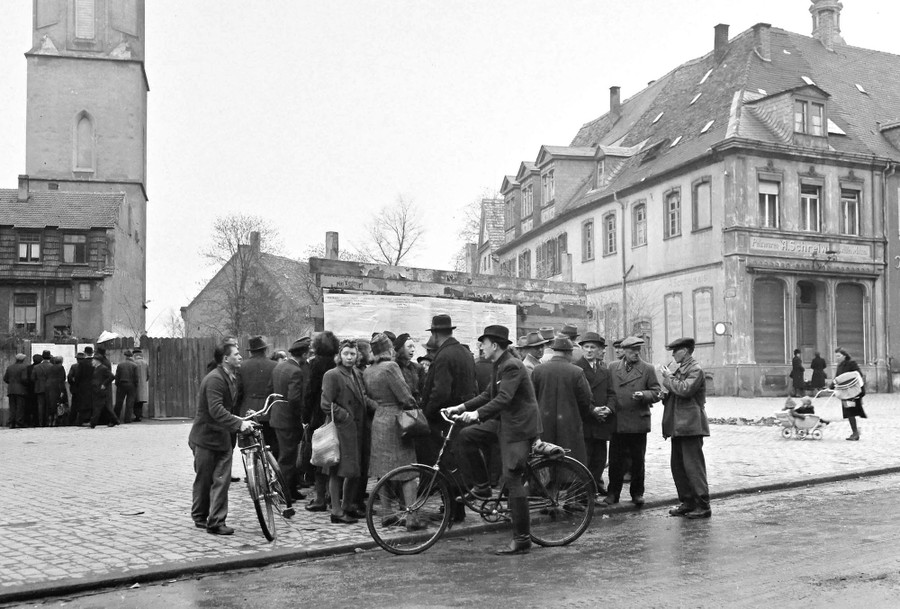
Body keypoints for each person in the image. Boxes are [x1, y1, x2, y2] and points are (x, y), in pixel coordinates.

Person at [445, 324, 541, 555]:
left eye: (483, 343)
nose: (480, 347)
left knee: (512, 478)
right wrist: (461, 407)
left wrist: (477, 414)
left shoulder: (511, 365)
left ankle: (522, 539)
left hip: (519, 428)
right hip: (504, 422)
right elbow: (488, 395)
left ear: (495, 345)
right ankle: (482, 486)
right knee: (466, 436)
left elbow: (504, 398)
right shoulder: (499, 364)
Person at [189, 342, 255, 535]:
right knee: (209, 479)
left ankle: (207, 518)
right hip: (207, 438)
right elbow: (216, 409)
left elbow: (227, 408)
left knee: (217, 479)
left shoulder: (230, 377)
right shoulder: (215, 379)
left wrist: (242, 417)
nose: (240, 356)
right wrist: (239, 424)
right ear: (226, 359)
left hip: (219, 438)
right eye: (236, 354)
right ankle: (210, 520)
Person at [364, 333, 422, 531]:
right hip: (396, 421)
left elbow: (368, 397)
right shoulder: (391, 367)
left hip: (378, 420)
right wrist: (414, 407)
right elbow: (405, 396)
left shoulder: (369, 370)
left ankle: (387, 514)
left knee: (383, 470)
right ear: (389, 349)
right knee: (407, 470)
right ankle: (412, 517)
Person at [603, 335, 661, 507]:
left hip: (637, 421)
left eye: (638, 350)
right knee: (615, 461)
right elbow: (608, 391)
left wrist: (644, 395)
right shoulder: (613, 367)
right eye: (631, 351)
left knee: (637, 461)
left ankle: (637, 494)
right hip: (618, 421)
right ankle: (613, 494)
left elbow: (657, 392)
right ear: (624, 352)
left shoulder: (648, 369)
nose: (636, 353)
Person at [657, 337, 711, 519]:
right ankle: (687, 502)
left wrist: (668, 378)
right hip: (678, 426)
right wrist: (664, 394)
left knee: (693, 467)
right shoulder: (682, 369)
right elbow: (676, 392)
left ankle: (703, 505)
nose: (672, 354)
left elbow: (685, 390)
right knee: (679, 467)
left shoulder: (695, 369)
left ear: (686, 351)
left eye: (676, 350)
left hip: (690, 426)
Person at [321, 339, 372, 524]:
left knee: (353, 470)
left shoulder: (357, 374)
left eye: (352, 354)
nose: (349, 358)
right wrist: (345, 416)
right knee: (337, 470)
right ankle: (336, 510)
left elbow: (363, 398)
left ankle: (348, 505)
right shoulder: (332, 375)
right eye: (346, 354)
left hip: (357, 430)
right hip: (341, 429)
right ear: (339, 356)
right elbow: (326, 403)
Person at [531, 336, 591, 467]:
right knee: (570, 461)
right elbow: (586, 400)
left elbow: (531, 398)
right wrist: (581, 415)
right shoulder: (577, 372)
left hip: (543, 423)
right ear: (569, 352)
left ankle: (544, 485)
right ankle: (568, 484)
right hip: (570, 425)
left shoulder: (538, 370)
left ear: (554, 351)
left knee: (544, 460)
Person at [574, 332, 617, 496]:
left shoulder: (604, 371)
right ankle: (581, 497)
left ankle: (591, 493)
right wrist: (593, 410)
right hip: (586, 422)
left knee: (599, 461)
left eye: (593, 347)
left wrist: (609, 408)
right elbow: (577, 396)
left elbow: (612, 393)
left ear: (599, 350)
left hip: (602, 423)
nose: (589, 350)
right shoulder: (576, 368)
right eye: (586, 347)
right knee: (584, 460)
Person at [270, 337, 311, 505]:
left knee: (289, 456)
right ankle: (282, 493)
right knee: (288, 458)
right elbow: (294, 399)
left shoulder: (280, 366)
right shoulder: (296, 371)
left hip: (278, 416)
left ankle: (291, 490)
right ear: (304, 354)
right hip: (288, 419)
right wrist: (300, 418)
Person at [303, 331, 340, 511]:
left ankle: (319, 498)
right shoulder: (336, 362)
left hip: (319, 413)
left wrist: (305, 416)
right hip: (336, 413)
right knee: (334, 453)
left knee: (319, 453)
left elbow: (310, 392)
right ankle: (332, 495)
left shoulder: (316, 364)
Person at [239, 336, 278, 455]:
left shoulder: (242, 366)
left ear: (251, 351)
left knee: (251, 448)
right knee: (271, 445)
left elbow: (239, 392)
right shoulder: (274, 365)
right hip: (268, 412)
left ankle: (253, 470)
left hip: (248, 412)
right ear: (265, 350)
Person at [833, 348, 867, 441]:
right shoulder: (839, 366)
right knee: (849, 412)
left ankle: (855, 433)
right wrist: (832, 385)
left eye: (839, 356)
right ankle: (855, 431)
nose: (837, 358)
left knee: (850, 411)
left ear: (844, 356)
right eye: (836, 356)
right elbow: (837, 378)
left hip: (852, 392)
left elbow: (857, 374)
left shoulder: (851, 363)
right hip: (844, 392)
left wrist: (845, 379)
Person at [89, 353, 118, 428]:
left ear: (97, 361)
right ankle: (115, 420)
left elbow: (112, 376)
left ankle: (93, 423)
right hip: (96, 390)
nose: (92, 362)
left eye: (93, 360)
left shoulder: (103, 368)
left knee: (97, 407)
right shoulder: (96, 368)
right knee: (106, 407)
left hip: (100, 390)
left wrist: (104, 384)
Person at [393, 333, 422, 402]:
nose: (412, 350)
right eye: (409, 346)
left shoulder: (418, 368)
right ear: (400, 348)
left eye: (413, 347)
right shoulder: (393, 367)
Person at [3, 353, 28, 428]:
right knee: (20, 407)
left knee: (12, 407)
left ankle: (11, 422)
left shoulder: (10, 367)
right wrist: (27, 384)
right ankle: (19, 422)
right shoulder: (24, 367)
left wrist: (11, 383)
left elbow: (5, 379)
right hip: (21, 390)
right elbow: (24, 379)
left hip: (11, 389)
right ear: (23, 360)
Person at [114, 350, 139, 423]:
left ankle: (116, 418)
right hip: (131, 385)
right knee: (130, 403)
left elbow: (117, 376)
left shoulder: (120, 365)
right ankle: (127, 419)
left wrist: (117, 384)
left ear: (125, 356)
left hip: (121, 384)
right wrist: (136, 385)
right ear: (131, 356)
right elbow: (136, 377)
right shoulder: (134, 365)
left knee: (119, 402)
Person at [47, 356, 68, 426]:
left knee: (51, 404)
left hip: (50, 387)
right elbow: (62, 379)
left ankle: (50, 419)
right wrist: (62, 391)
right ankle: (57, 420)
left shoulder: (50, 367)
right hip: (58, 387)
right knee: (59, 404)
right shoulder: (61, 367)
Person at [33, 350, 52, 427]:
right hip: (50, 388)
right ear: (49, 357)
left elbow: (32, 378)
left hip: (39, 387)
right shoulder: (52, 366)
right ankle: (47, 422)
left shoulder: (36, 367)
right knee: (48, 405)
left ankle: (41, 422)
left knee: (40, 405)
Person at [133, 348, 150, 421]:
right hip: (143, 385)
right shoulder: (145, 363)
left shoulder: (134, 363)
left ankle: (137, 416)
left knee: (135, 401)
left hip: (135, 385)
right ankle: (139, 415)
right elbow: (148, 375)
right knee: (141, 402)